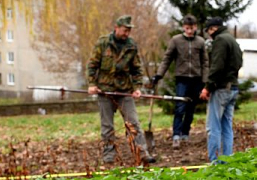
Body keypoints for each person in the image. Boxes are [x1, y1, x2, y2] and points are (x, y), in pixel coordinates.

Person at [87, 15, 155, 163]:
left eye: (129, 31)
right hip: (105, 91)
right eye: (124, 30)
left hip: (125, 91)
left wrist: (137, 87)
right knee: (107, 126)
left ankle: (142, 153)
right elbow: (92, 64)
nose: (126, 34)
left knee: (133, 123)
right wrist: (92, 84)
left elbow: (137, 69)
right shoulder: (103, 43)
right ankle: (109, 156)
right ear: (116, 28)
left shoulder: (131, 46)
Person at [152, 14, 209, 150]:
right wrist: (159, 74)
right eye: (187, 28)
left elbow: (205, 62)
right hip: (182, 79)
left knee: (190, 108)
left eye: (192, 28)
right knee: (180, 107)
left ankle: (185, 133)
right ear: (184, 27)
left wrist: (205, 81)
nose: (190, 31)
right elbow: (167, 58)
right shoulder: (176, 40)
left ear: (196, 27)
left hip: (196, 79)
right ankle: (176, 135)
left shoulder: (200, 42)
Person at [200, 17, 243, 164]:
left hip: (221, 89)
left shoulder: (220, 40)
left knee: (213, 127)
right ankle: (227, 160)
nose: (209, 35)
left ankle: (215, 162)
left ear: (213, 28)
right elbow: (239, 63)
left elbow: (216, 67)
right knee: (226, 127)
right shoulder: (232, 40)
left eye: (208, 31)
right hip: (233, 87)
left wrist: (207, 87)